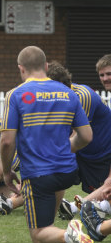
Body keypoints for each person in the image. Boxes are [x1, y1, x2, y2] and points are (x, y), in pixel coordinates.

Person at [0, 46, 94, 243]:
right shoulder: (69, 94)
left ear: (21, 69)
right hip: (66, 172)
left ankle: (70, 233)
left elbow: (7, 141)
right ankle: (61, 233)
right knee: (46, 225)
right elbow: (86, 136)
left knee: (39, 236)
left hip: (38, 174)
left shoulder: (16, 95)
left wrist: (7, 172)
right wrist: (65, 148)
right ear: (46, 66)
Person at [45, 62, 111, 223]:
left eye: (108, 74)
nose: (105, 78)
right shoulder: (56, 99)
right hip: (84, 152)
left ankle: (76, 208)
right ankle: (11, 202)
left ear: (60, 85)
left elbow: (77, 137)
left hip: (100, 155)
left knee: (106, 191)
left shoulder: (83, 96)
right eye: (102, 75)